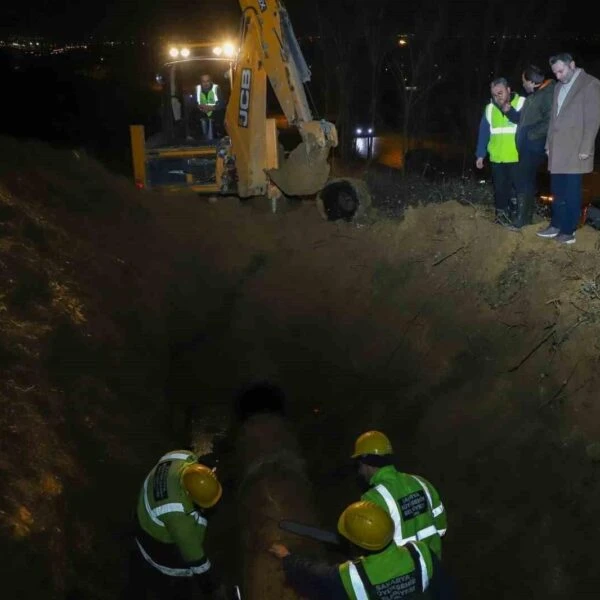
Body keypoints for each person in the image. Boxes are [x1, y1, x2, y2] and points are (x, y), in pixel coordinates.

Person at [269, 500, 451, 599]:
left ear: (357, 545)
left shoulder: (350, 576)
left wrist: (287, 557)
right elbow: (444, 592)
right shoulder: (421, 552)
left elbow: (314, 572)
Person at [123, 449, 226, 600]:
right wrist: (212, 585)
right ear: (189, 496)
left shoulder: (181, 457)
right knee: (180, 573)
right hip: (152, 537)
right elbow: (195, 557)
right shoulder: (178, 516)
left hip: (144, 510)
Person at [536, 52, 600, 244]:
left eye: (561, 71)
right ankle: (555, 224)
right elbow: (553, 119)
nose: (558, 76)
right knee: (557, 190)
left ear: (572, 65)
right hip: (557, 149)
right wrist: (548, 145)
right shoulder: (557, 87)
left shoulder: (590, 84)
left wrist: (586, 147)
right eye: (555, 72)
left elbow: (593, 119)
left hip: (576, 148)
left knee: (572, 191)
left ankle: (568, 231)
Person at [352, 431, 446, 558]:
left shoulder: (371, 499)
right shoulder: (421, 482)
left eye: (359, 465)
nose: (361, 471)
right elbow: (441, 528)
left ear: (366, 463)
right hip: (433, 566)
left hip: (405, 575)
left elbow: (372, 552)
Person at [501, 65, 556, 228]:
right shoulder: (535, 95)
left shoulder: (547, 94)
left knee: (522, 179)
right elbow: (523, 119)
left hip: (534, 146)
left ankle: (521, 221)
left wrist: (531, 135)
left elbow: (552, 120)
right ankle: (525, 219)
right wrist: (508, 111)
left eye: (524, 81)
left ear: (532, 82)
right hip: (527, 146)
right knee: (524, 180)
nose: (523, 84)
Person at [475, 78, 525, 225]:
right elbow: (484, 133)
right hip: (497, 158)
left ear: (509, 90)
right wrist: (480, 155)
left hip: (517, 157)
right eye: (494, 94)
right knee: (500, 191)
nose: (498, 97)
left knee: (517, 192)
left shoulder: (522, 102)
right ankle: (501, 218)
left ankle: (517, 219)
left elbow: (529, 126)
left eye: (500, 92)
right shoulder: (489, 109)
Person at [194, 74, 225, 140]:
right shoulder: (197, 89)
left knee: (221, 116)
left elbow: (222, 104)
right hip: (202, 113)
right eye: (203, 81)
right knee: (194, 118)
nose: (205, 83)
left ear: (211, 81)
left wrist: (210, 108)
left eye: (207, 81)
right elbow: (194, 103)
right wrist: (200, 108)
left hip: (215, 113)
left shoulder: (216, 88)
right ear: (201, 82)